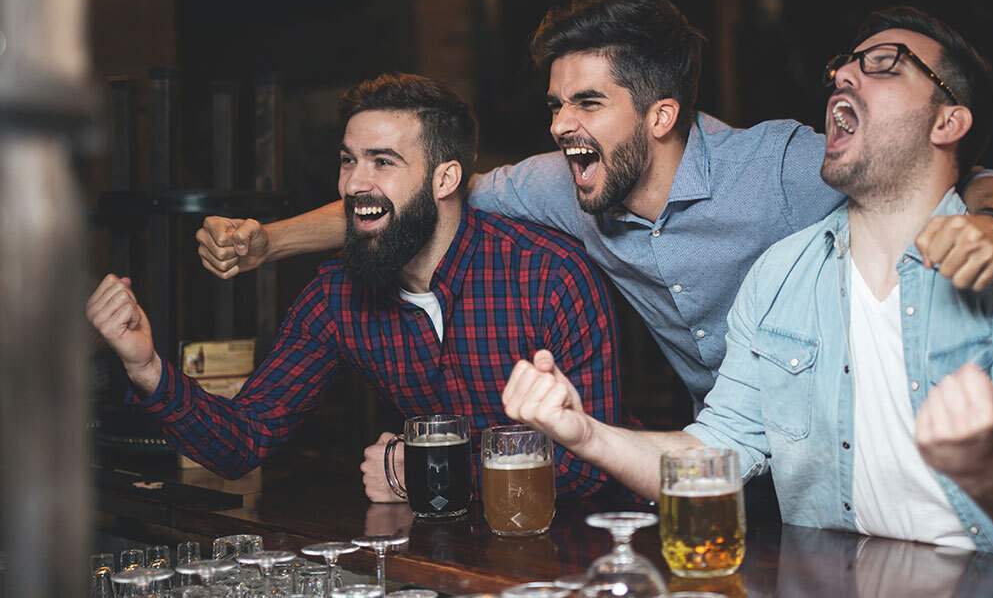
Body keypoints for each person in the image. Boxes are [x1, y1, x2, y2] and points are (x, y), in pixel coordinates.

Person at [195, 0, 993, 408]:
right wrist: (270, 242)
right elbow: (408, 196)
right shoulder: (561, 184)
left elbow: (949, 174)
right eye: (556, 103)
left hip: (862, 435)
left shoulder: (777, 163)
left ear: (661, 114)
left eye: (587, 104)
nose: (560, 124)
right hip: (731, 454)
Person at [502, 7, 993, 557]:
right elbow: (715, 451)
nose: (843, 74)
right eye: (842, 65)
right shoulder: (777, 280)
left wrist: (985, 468)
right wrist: (583, 433)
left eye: (885, 66)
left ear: (948, 121)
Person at [87, 73, 626, 500]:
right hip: (445, 559)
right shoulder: (338, 297)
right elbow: (242, 441)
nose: (353, 183)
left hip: (581, 555)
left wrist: (427, 468)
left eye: (382, 162)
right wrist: (145, 367)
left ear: (445, 178)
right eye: (348, 160)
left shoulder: (549, 277)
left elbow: (591, 468)